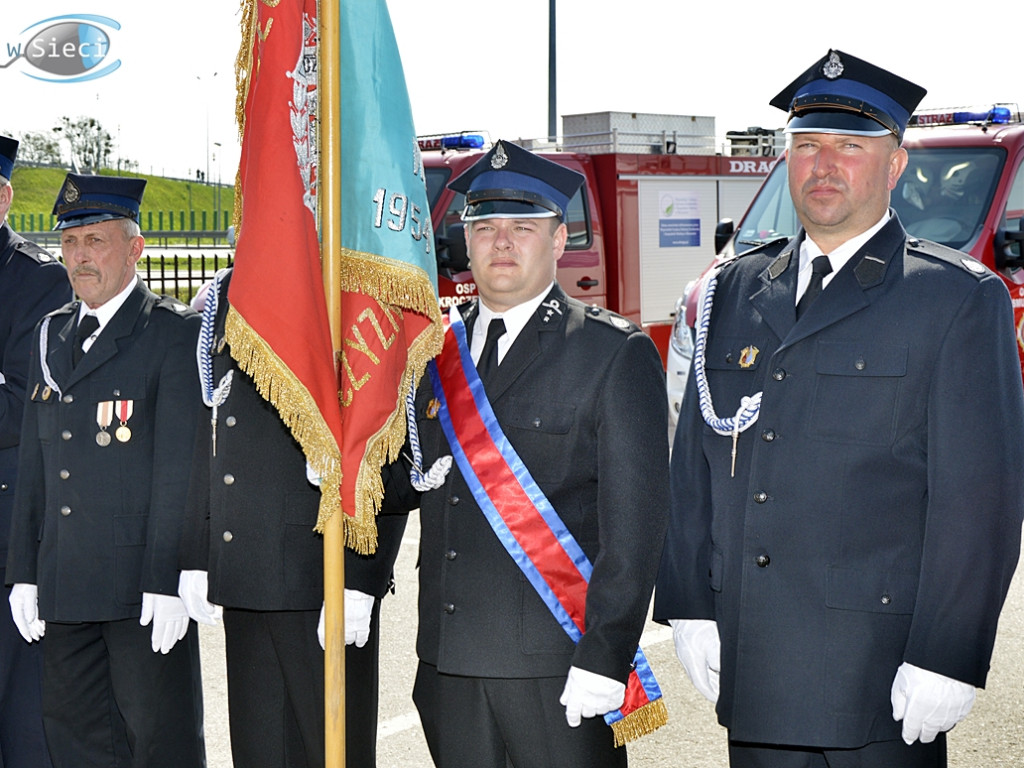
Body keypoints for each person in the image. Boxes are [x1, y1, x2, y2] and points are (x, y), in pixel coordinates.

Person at [654, 49, 1024, 768]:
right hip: (756, 665)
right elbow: (695, 463)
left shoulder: (952, 299)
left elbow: (977, 498)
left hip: (878, 679)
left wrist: (949, 652)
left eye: (851, 146)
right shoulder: (735, 290)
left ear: (894, 167)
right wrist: (689, 600)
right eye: (807, 145)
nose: (824, 165)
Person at [383, 140, 669, 768]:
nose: (502, 242)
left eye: (523, 227)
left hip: (558, 669)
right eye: (484, 226)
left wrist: (607, 654)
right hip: (449, 665)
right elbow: (411, 480)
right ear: (466, 242)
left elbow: (636, 529)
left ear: (561, 241)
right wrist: (342, 462)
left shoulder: (612, 354)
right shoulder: (436, 354)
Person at [5, 173, 206, 767]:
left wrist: (169, 577)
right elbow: (39, 464)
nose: (80, 257)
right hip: (64, 586)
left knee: (158, 743)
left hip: (138, 591)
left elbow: (182, 469)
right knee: (76, 742)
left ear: (135, 248)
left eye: (95, 240)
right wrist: (24, 570)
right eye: (69, 243)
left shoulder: (173, 334)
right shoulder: (54, 334)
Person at [178, 267, 409, 768]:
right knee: (259, 753)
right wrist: (198, 550)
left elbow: (386, 448)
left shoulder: (351, 287)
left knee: (333, 754)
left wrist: (361, 578)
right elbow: (211, 427)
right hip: (245, 578)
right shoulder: (229, 291)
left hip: (320, 578)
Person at [0, 135, 72, 768]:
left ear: (3, 197)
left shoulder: (38, 283)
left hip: (8, 533)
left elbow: (23, 407)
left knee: (21, 719)